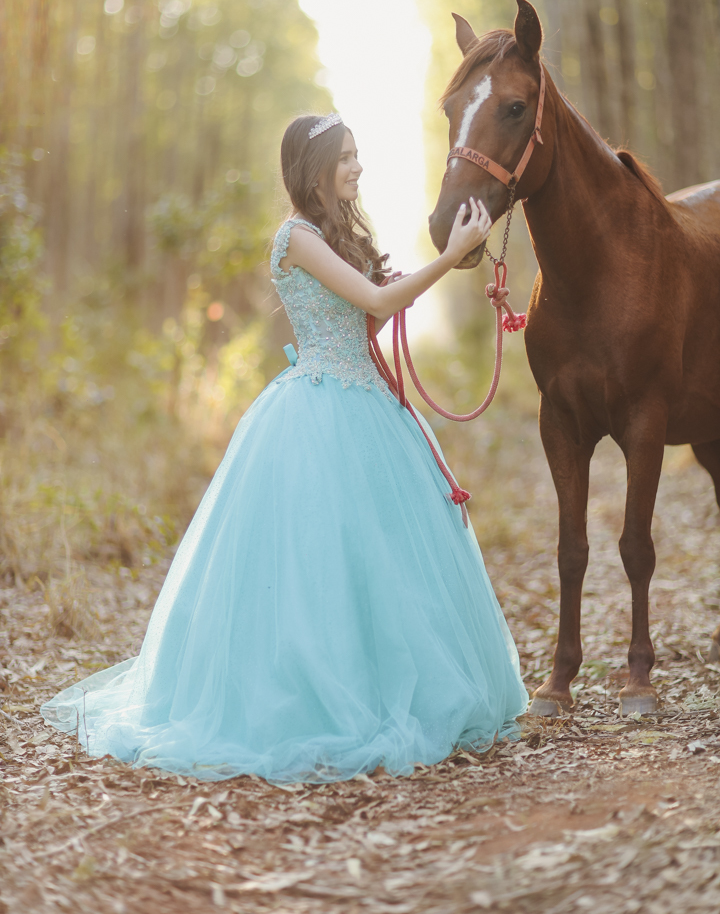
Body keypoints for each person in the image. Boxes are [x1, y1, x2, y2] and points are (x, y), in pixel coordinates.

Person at [41, 113, 528, 783]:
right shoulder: (295, 237)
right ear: (315, 169)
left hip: (365, 408)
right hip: (319, 409)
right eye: (347, 157)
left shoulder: (331, 235)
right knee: (317, 564)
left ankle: (386, 687)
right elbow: (377, 303)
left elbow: (374, 308)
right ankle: (322, 698)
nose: (358, 167)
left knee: (378, 562)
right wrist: (451, 256)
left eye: (359, 155)